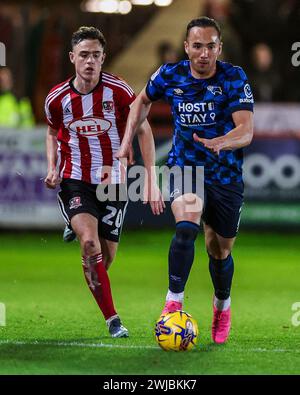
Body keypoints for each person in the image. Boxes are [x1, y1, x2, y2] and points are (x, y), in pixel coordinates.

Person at [116, 17, 254, 344]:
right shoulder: (169, 74)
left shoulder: (233, 78)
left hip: (225, 173)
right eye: (197, 46)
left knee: (218, 250)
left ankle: (222, 304)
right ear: (186, 47)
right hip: (186, 166)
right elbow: (141, 101)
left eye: (210, 46)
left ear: (219, 48)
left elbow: (246, 130)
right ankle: (172, 303)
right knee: (186, 226)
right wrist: (125, 144)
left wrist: (222, 141)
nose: (204, 53)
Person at [44, 26, 164, 338]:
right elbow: (51, 132)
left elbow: (144, 129)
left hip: (115, 182)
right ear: (72, 57)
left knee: (104, 260)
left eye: (96, 55)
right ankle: (113, 320)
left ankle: (79, 231)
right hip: (76, 179)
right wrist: (53, 167)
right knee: (89, 243)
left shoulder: (120, 91)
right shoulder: (57, 99)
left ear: (103, 57)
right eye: (84, 55)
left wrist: (150, 179)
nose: (90, 61)